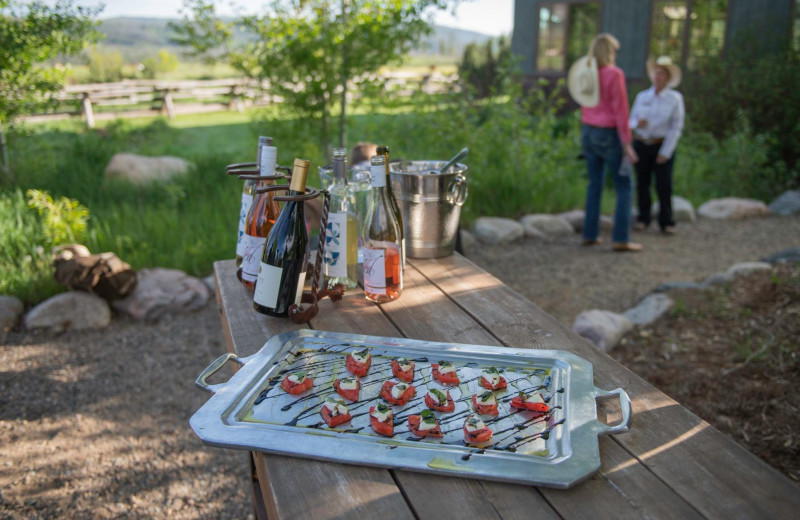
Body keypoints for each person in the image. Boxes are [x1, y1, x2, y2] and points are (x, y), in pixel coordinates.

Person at [570, 33, 641, 252]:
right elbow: (621, 111)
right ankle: (620, 238)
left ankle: (590, 234)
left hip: (588, 132)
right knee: (624, 185)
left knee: (594, 184)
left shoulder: (586, 74)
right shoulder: (614, 74)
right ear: (609, 51)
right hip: (608, 134)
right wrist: (627, 143)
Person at [629, 56, 685, 234]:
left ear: (667, 77)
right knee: (642, 183)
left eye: (661, 73)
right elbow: (630, 121)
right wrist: (637, 124)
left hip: (661, 145)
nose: (657, 76)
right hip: (642, 143)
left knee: (663, 184)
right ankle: (643, 218)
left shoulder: (674, 99)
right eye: (655, 72)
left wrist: (666, 152)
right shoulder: (642, 96)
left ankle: (666, 220)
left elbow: (676, 127)